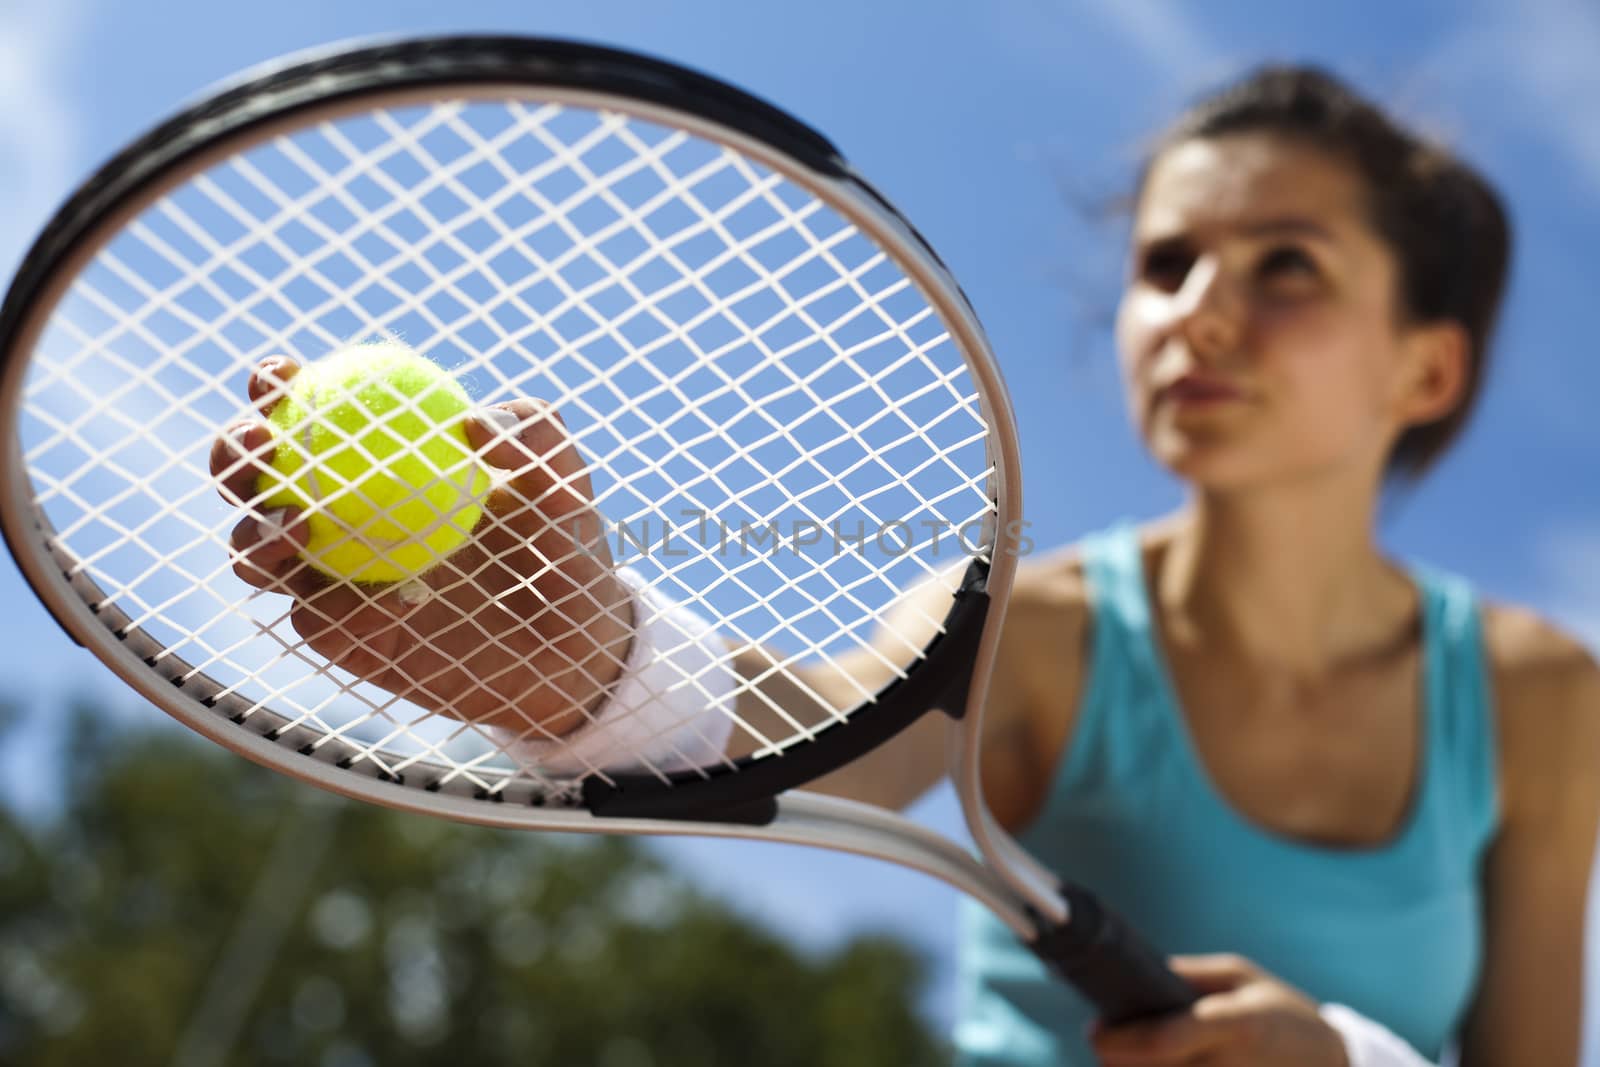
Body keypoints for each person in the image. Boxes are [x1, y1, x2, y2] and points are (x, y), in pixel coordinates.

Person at [212, 65, 1600, 1065]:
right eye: (1165, 264)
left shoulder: (1541, 697)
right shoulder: (1033, 632)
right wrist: (588, 664)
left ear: (1428, 364)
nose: (1199, 313)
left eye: (1284, 264)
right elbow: (821, 736)